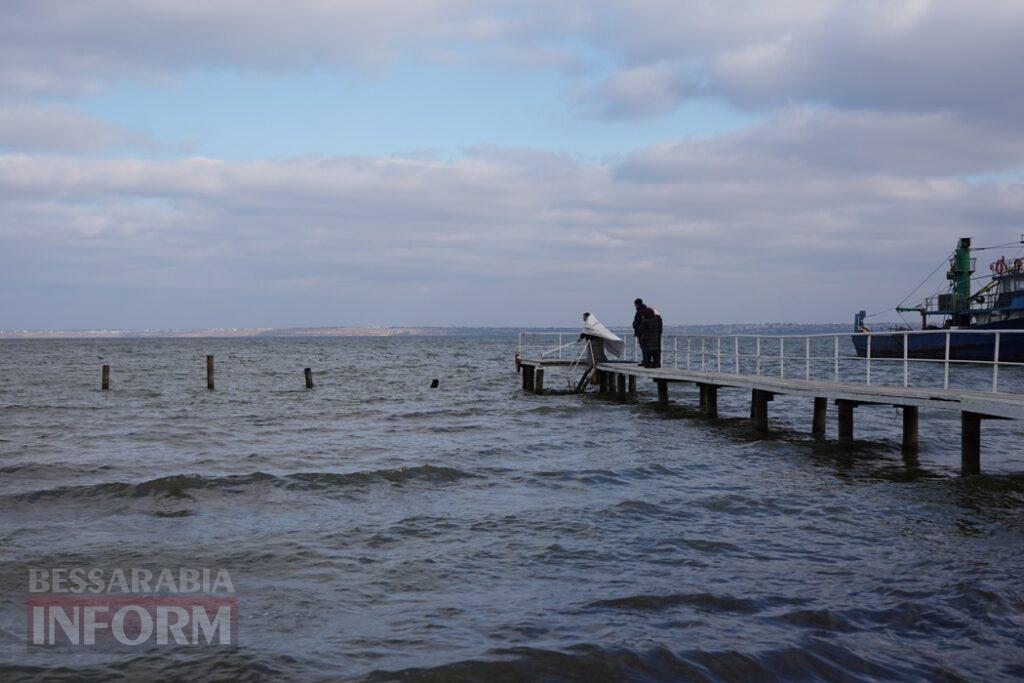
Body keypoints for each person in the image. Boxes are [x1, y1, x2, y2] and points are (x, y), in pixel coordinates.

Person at [632, 298, 647, 365]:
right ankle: (646, 360)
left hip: (641, 333)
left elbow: (639, 321)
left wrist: (635, 326)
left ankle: (645, 361)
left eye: (635, 304)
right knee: (645, 347)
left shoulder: (640, 311)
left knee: (643, 347)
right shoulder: (645, 310)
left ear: (637, 304)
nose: (635, 306)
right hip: (644, 332)